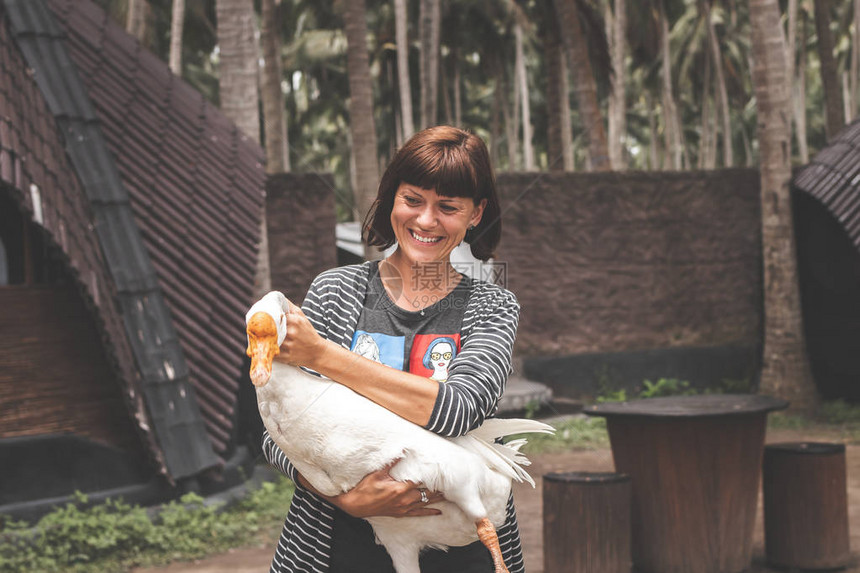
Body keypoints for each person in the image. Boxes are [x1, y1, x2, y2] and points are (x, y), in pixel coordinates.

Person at [262, 125, 524, 573]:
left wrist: (321, 356)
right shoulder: (336, 290)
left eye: (448, 207)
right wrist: (345, 499)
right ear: (391, 200)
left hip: (458, 545)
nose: (425, 220)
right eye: (413, 199)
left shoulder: (492, 305)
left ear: (476, 214)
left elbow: (458, 410)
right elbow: (278, 430)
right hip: (334, 546)